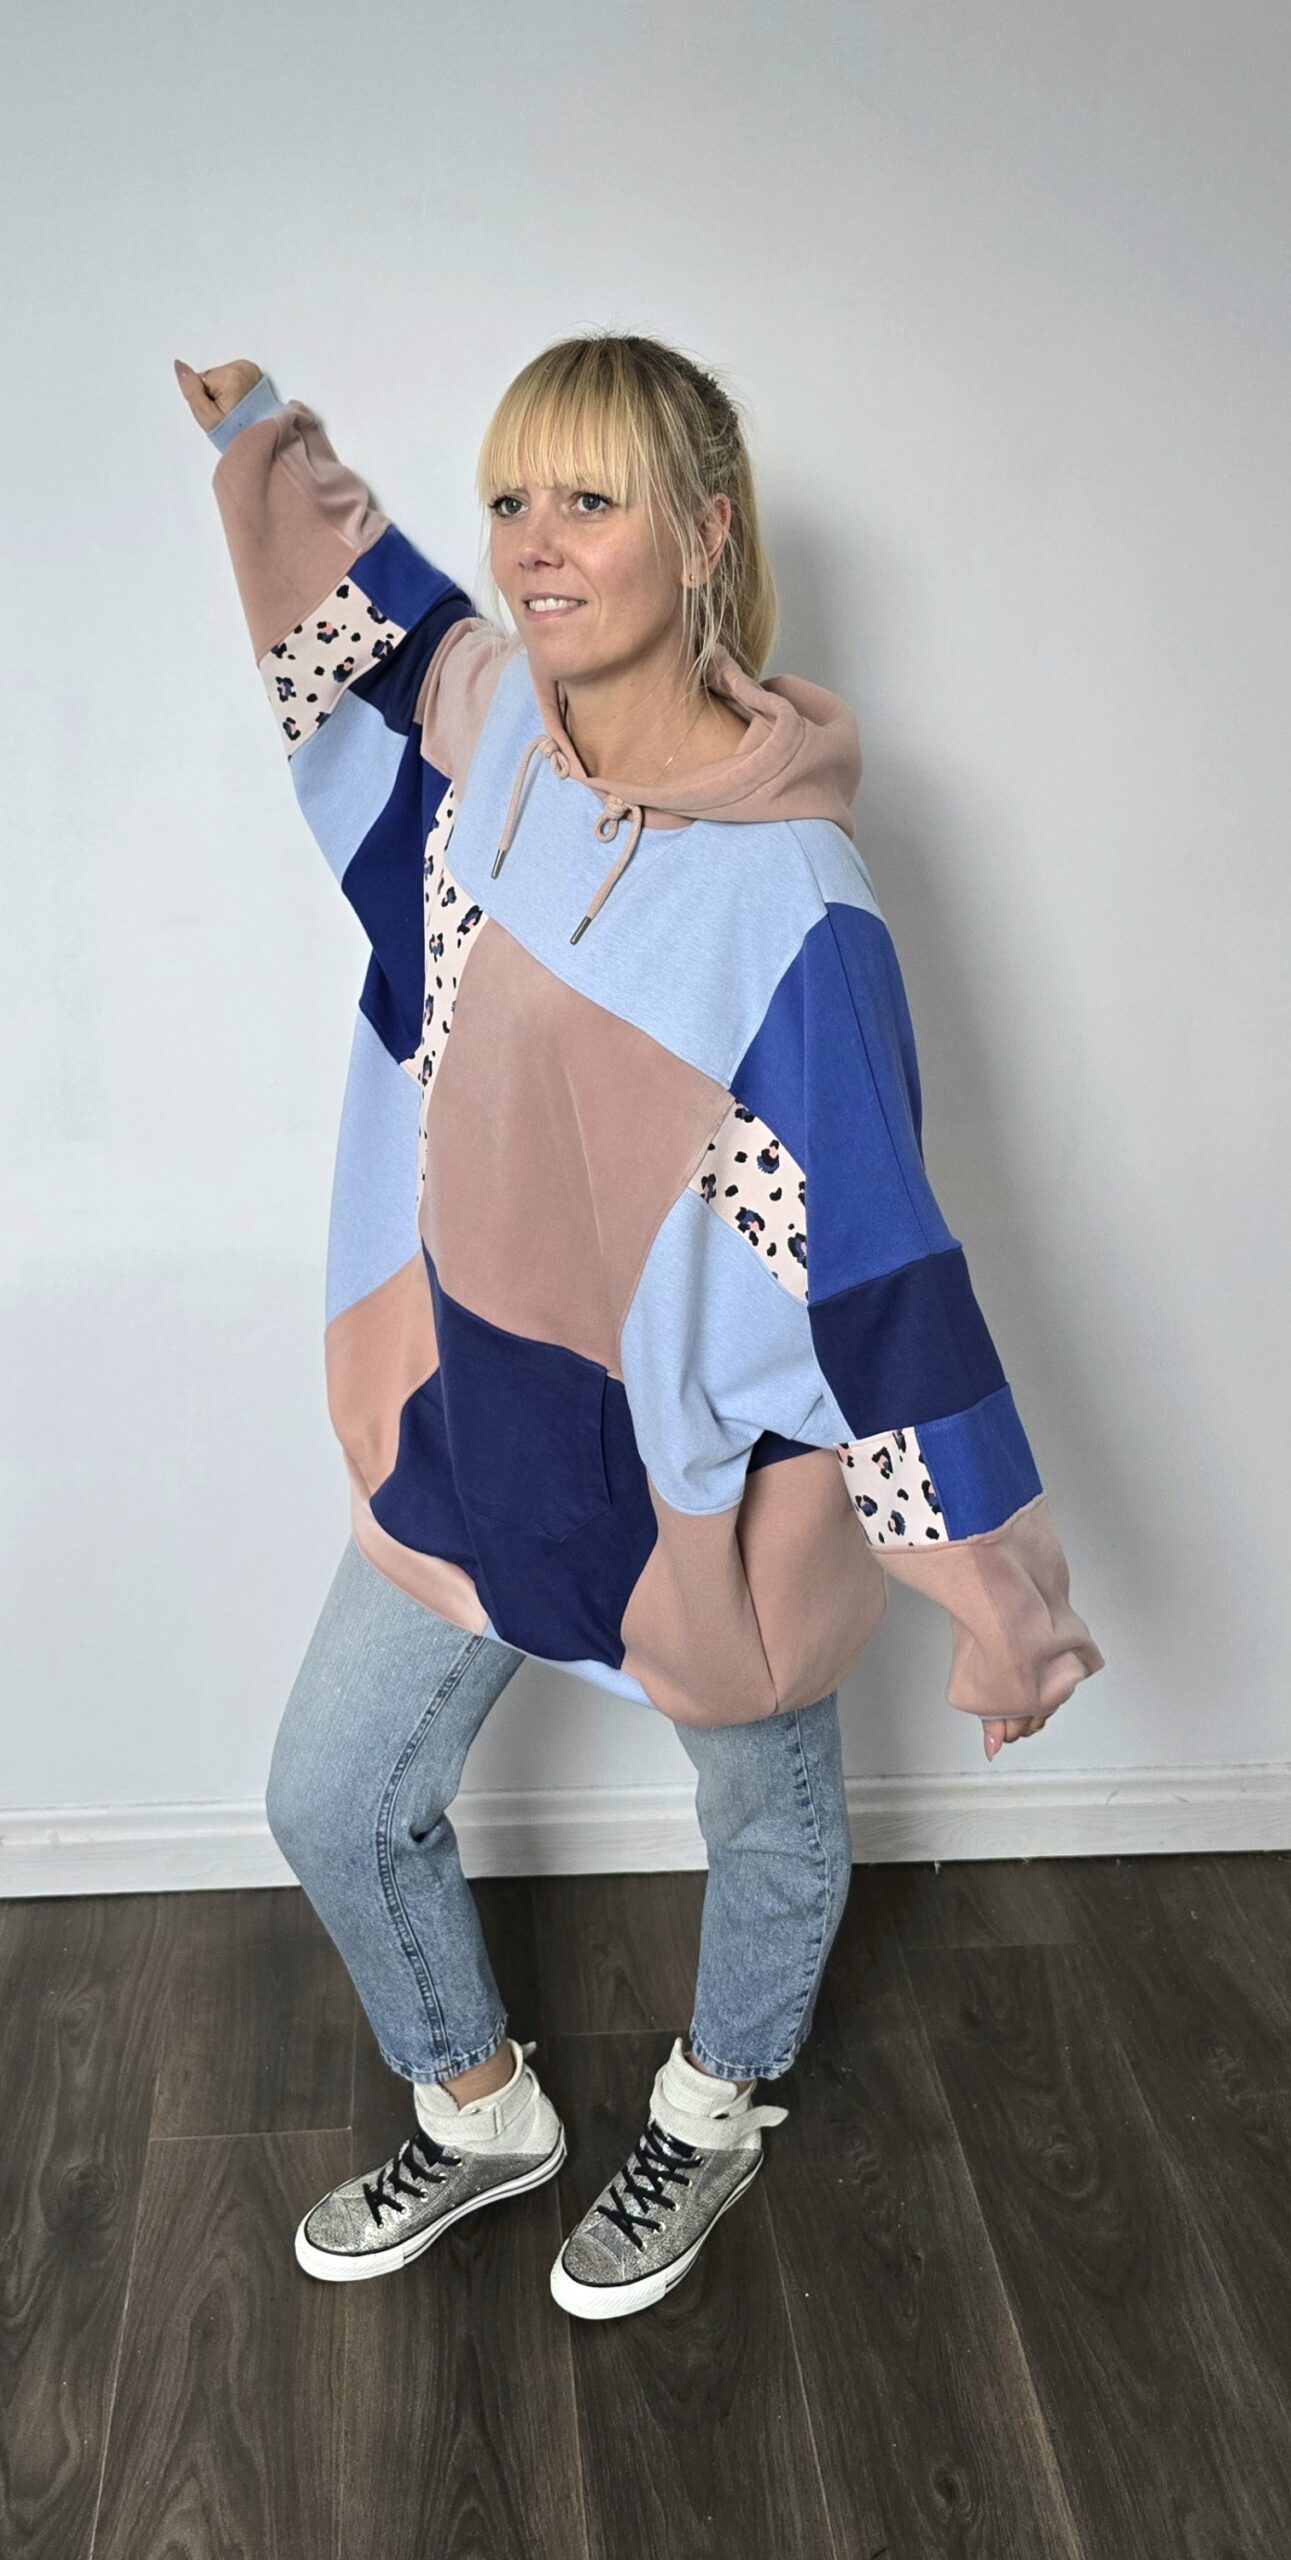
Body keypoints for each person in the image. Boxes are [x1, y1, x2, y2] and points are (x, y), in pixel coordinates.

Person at [175, 337, 1104, 2322]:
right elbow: (379, 634)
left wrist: (997, 1592)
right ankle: (481, 2105)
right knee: (333, 1792)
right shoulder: (498, 738)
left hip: (705, 1469)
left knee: (762, 1806)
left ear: (703, 536)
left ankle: (717, 2099)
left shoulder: (793, 901)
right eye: (512, 497)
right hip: (483, 1409)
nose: (532, 544)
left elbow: (875, 1260)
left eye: (587, 501)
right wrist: (265, 444)